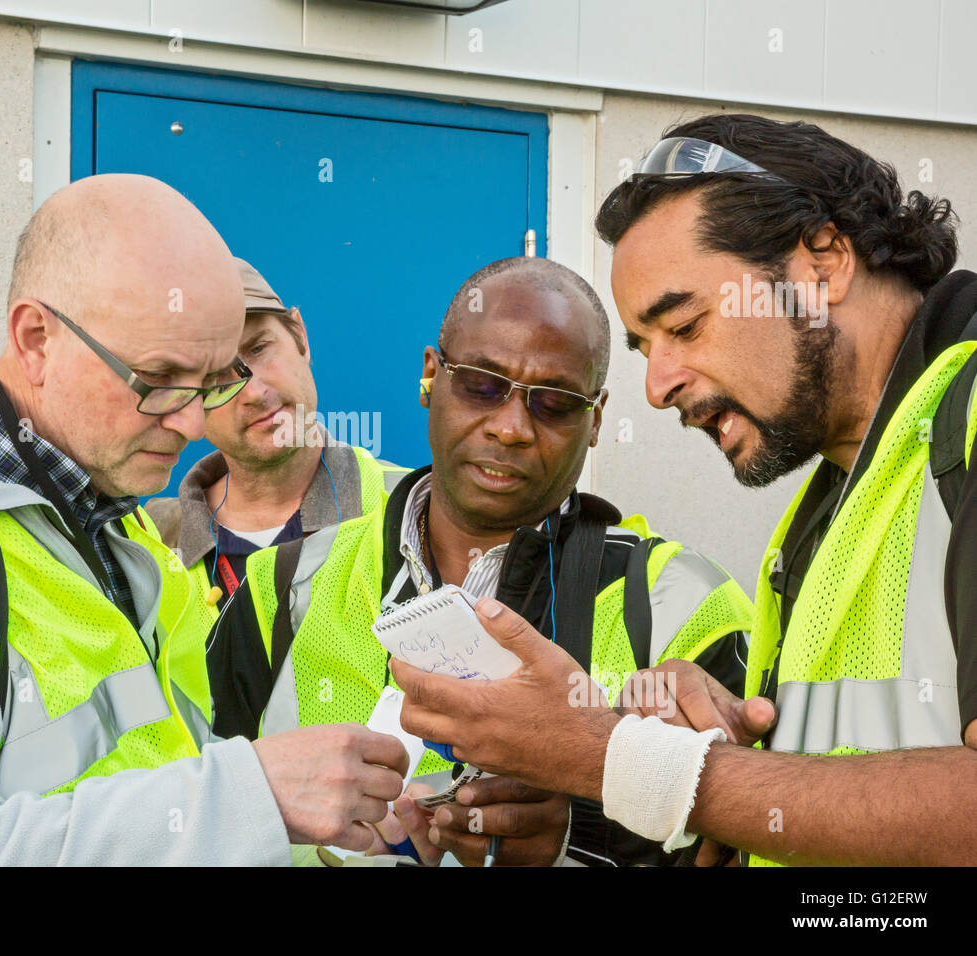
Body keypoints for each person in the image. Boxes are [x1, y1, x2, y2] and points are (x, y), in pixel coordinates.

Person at [0, 174, 408, 866]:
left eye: (210, 383)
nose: (195, 422)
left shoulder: (117, 529)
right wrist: (250, 796)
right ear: (35, 338)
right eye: (160, 379)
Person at [390, 114, 977, 866]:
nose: (658, 387)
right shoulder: (836, 501)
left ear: (822, 264)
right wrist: (732, 744)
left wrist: (619, 759)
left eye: (687, 325)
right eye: (642, 347)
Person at [211, 256, 754, 866]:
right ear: (429, 377)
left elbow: (746, 852)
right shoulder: (280, 589)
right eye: (482, 384)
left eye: (554, 402)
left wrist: (574, 841)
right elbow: (203, 820)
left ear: (596, 419)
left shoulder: (678, 606)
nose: (511, 427)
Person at [146, 257, 406, 724]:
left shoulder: (411, 512)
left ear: (300, 337)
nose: (252, 390)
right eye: (213, 379)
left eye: (260, 348)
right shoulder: (147, 548)